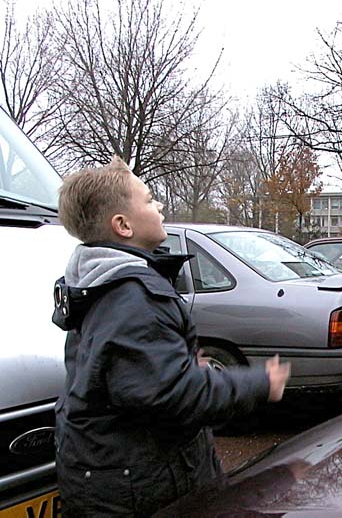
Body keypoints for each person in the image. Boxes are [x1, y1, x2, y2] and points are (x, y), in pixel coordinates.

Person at [51, 156, 291, 517]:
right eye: (148, 199)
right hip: (136, 490)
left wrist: (186, 364)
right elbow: (170, 394)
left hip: (119, 475)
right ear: (122, 225)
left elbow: (134, 379)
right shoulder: (132, 297)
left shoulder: (102, 283)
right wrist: (259, 383)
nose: (159, 205)